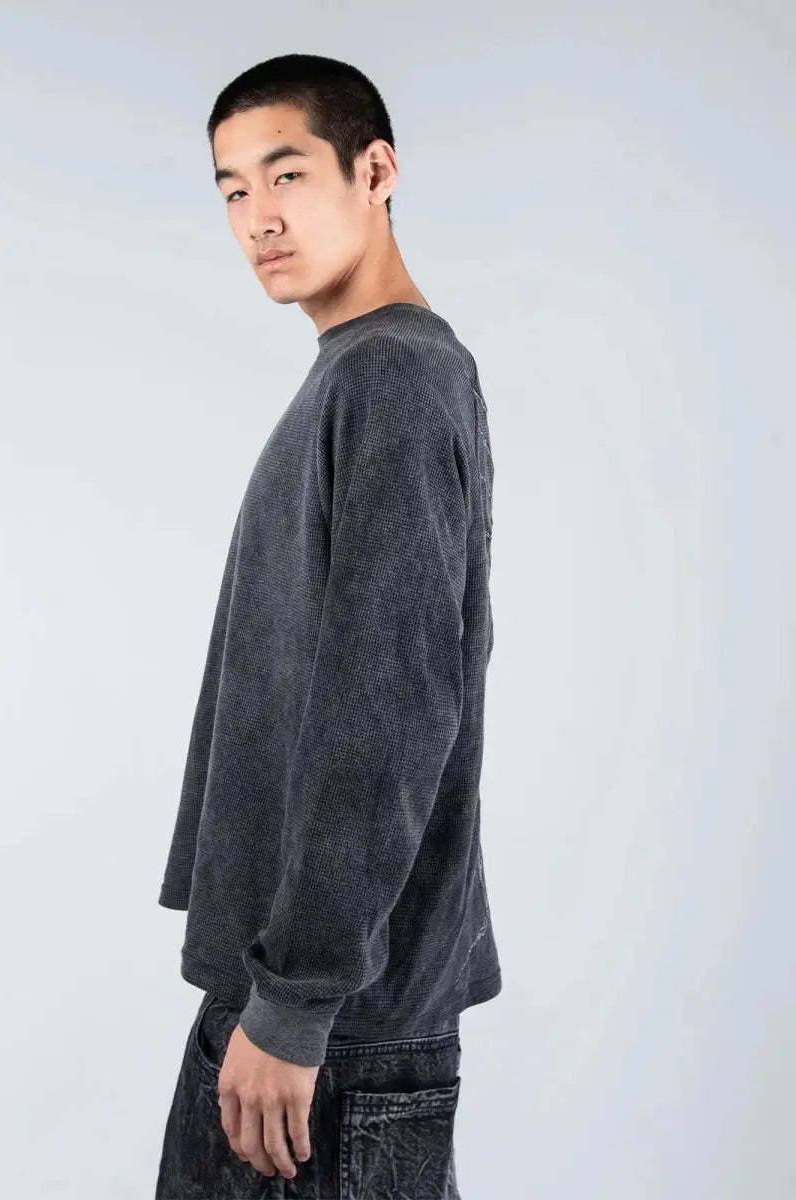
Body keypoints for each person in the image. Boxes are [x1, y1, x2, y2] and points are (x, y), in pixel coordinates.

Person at [154, 52, 501, 1199]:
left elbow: (392, 711)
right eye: (233, 190)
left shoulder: (393, 377)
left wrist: (297, 1003)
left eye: (288, 173)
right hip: (296, 1003)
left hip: (328, 1028)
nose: (259, 216)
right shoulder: (354, 375)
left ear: (377, 170)